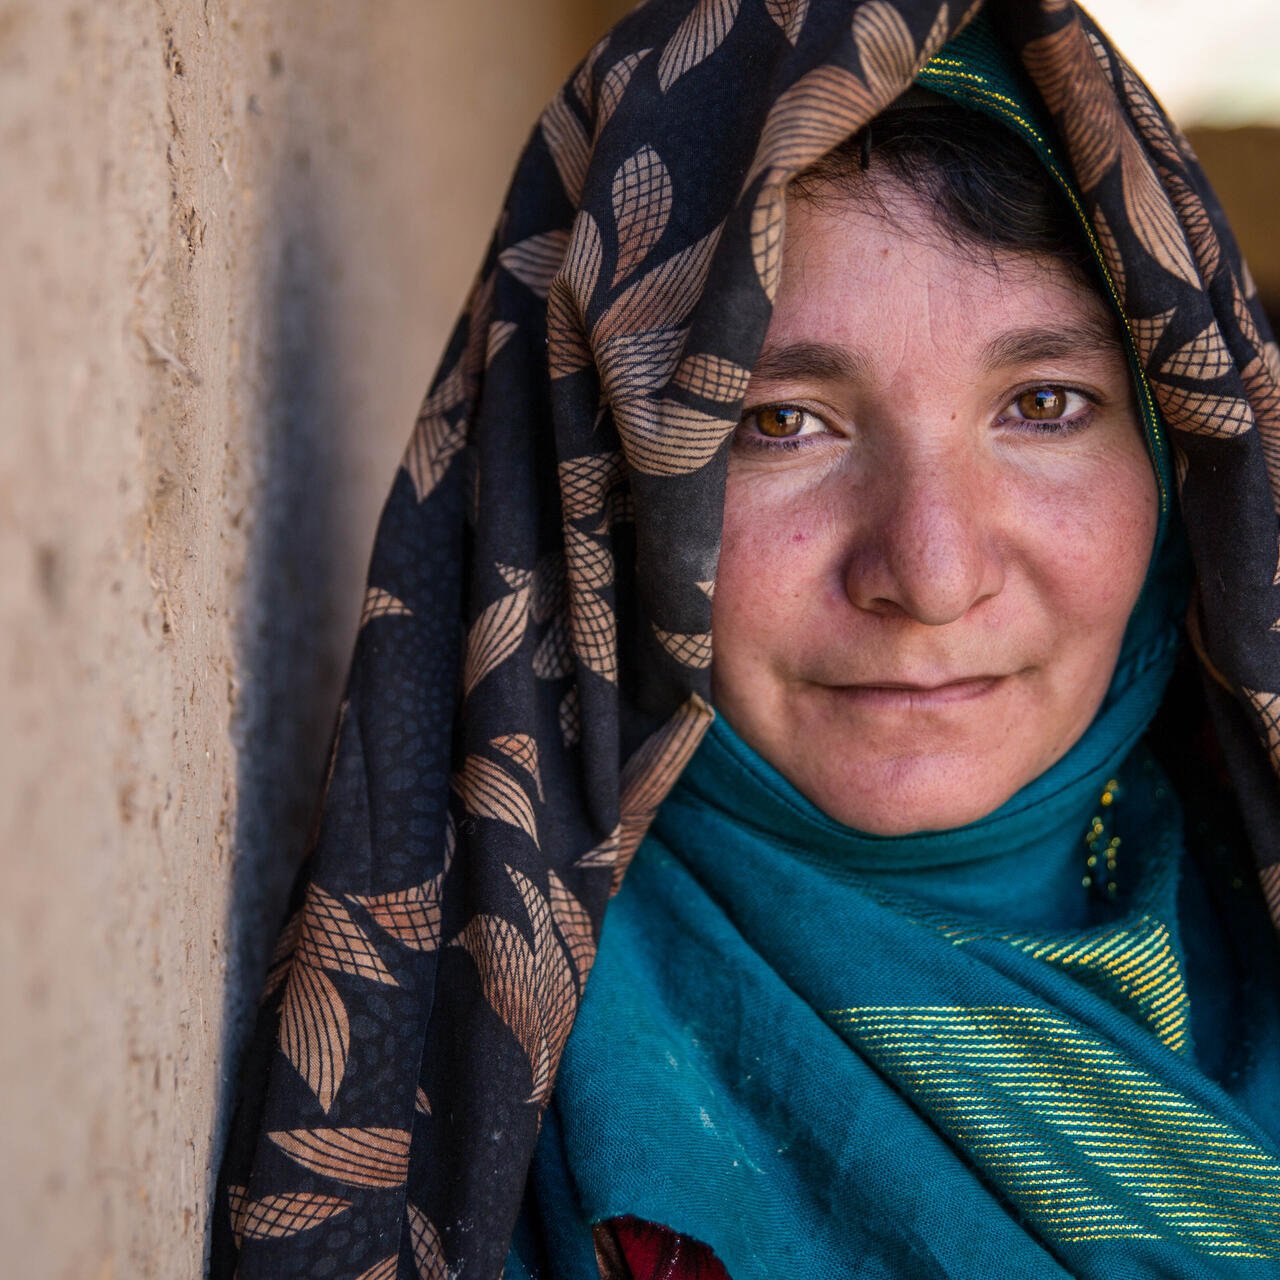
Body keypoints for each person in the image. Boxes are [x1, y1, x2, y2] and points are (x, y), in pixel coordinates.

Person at [212, 3, 1280, 1278]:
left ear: (1180, 460)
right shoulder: (473, 1091)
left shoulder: (1246, 926)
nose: (930, 575)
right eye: (778, 421)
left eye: (1042, 404)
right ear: (604, 487)